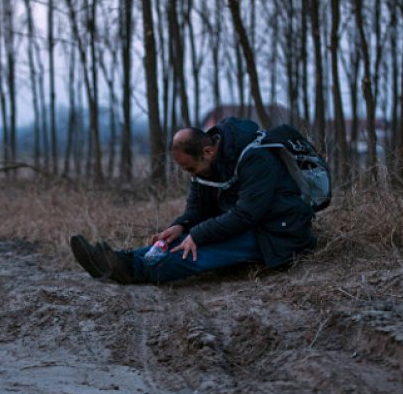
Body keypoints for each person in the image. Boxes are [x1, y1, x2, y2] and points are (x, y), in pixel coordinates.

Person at [71, 116, 316, 285]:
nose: (191, 174)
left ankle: (134, 271)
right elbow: (197, 208)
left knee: (196, 251)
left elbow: (247, 214)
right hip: (248, 224)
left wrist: (196, 234)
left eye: (190, 168)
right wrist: (181, 225)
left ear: (208, 151)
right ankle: (121, 260)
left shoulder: (256, 158)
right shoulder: (209, 162)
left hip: (276, 232)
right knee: (180, 238)